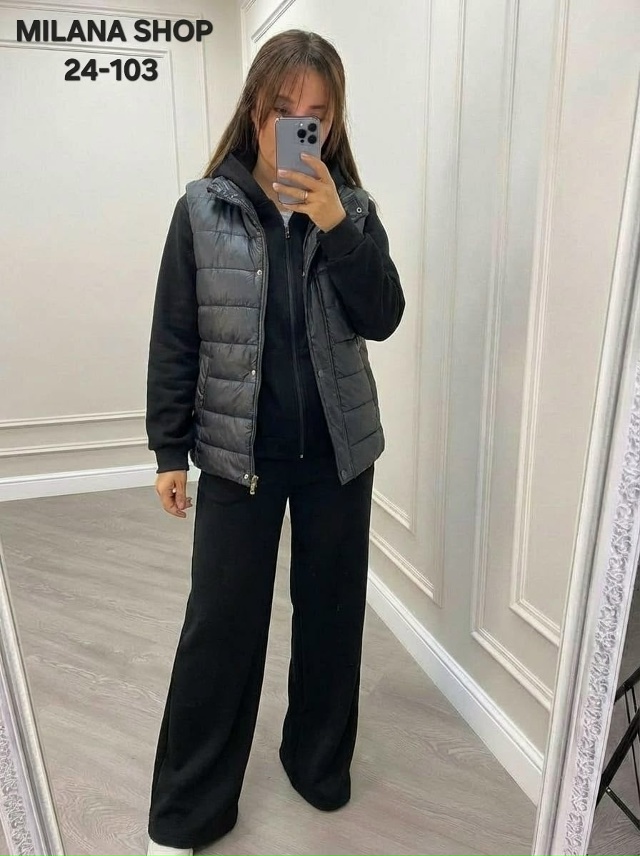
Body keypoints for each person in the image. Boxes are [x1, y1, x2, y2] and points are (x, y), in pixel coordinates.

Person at [144, 28, 405, 856]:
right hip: (237, 457)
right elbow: (175, 336)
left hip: (338, 456)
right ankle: (188, 812)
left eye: (317, 114)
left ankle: (316, 765)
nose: (300, 125)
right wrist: (168, 450)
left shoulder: (352, 210)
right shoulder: (202, 210)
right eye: (285, 108)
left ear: (333, 123)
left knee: (331, 618)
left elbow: (383, 317)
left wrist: (337, 226)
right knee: (220, 628)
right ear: (256, 107)